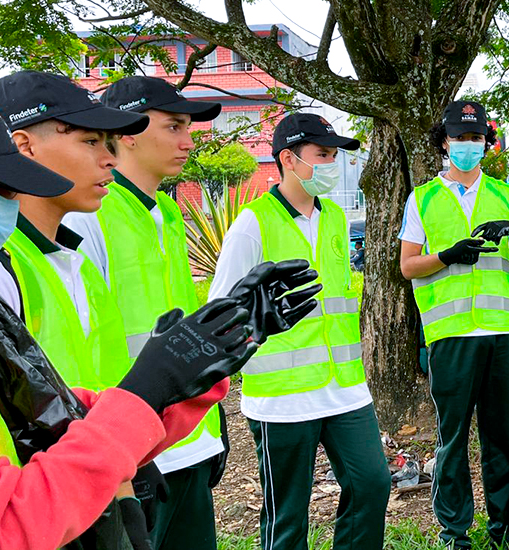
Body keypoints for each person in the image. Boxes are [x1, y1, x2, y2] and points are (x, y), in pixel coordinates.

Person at [0, 75, 257, 550]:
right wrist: (146, 399)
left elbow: (45, 410)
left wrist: (185, 378)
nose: (3, 201)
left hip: (90, 490)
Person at [209, 113, 390, 550]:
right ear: (289, 159)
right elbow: (219, 310)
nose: (332, 164)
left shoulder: (334, 218)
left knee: (372, 483)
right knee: (288, 514)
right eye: (323, 155)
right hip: (282, 397)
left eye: (335, 155)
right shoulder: (253, 223)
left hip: (344, 387)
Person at [63, 75, 227, 550]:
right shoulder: (87, 216)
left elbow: (183, 334)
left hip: (184, 440)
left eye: (188, 128)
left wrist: (210, 433)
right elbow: (78, 347)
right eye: (174, 126)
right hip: (129, 450)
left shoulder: (168, 214)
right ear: (129, 131)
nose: (188, 140)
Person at [398, 100, 509, 549]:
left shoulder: (506, 194)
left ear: (487, 143)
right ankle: (455, 531)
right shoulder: (423, 198)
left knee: (501, 433)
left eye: (476, 138)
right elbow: (408, 266)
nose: (468, 145)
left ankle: (503, 523)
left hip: (500, 334)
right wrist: (445, 257)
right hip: (450, 337)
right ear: (444, 142)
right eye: (460, 138)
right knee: (453, 438)